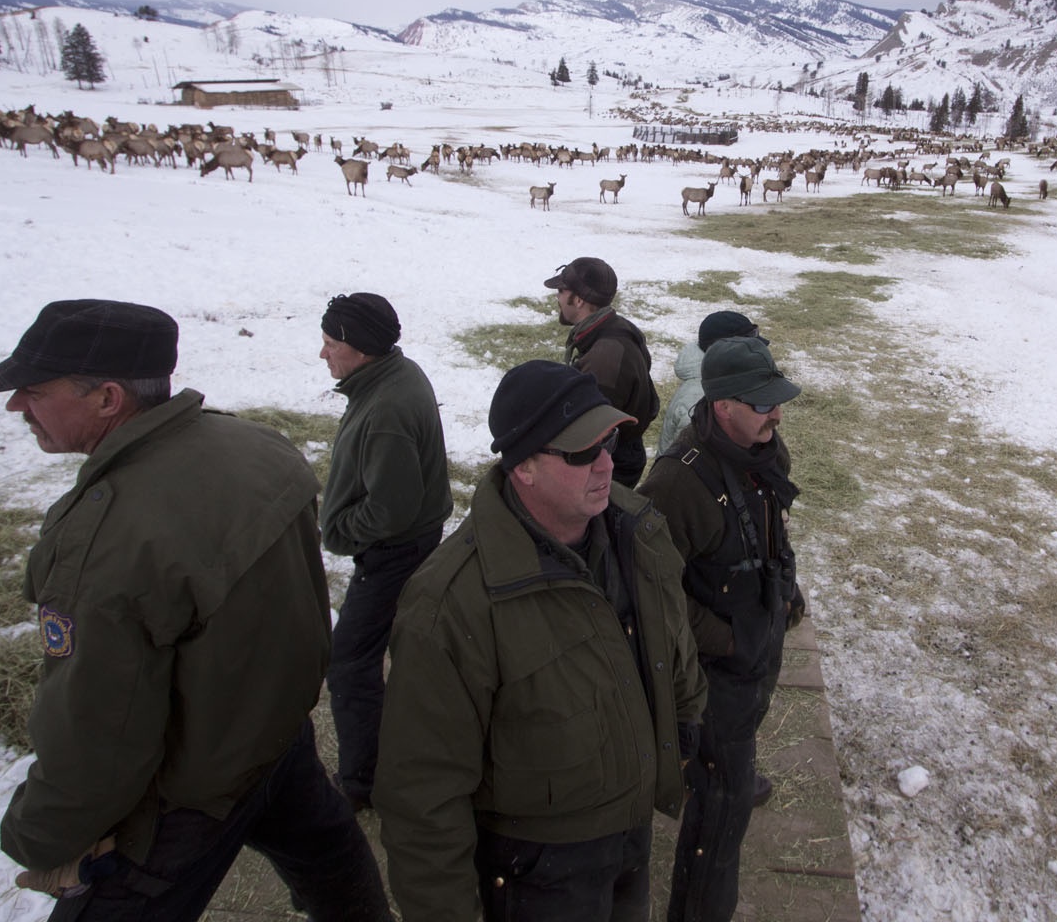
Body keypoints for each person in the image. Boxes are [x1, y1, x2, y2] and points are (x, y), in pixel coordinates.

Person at [0, 299, 390, 922]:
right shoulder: (259, 447)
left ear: (108, 398)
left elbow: (96, 725)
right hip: (274, 738)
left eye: (32, 390)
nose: (15, 406)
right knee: (330, 859)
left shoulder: (107, 535)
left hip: (190, 794)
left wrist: (39, 836)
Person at [374, 361, 707, 921]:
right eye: (581, 452)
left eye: (610, 440)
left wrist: (686, 723)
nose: (608, 463)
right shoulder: (452, 605)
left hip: (631, 834)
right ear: (523, 465)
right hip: (537, 872)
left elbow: (675, 648)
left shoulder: (636, 529)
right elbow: (422, 798)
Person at [639, 336, 805, 922]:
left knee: (728, 794)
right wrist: (729, 640)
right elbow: (650, 593)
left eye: (777, 400)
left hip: (754, 655)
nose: (776, 413)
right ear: (722, 405)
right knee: (720, 810)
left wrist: (784, 590)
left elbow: (768, 530)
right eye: (762, 403)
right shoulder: (675, 484)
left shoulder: (763, 451)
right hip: (713, 677)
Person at [317, 292, 454, 811]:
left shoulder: (388, 409)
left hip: (394, 550)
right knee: (410, 648)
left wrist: (339, 531)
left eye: (331, 343)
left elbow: (391, 509)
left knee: (349, 663)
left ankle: (363, 781)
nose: (323, 354)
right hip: (408, 541)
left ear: (359, 347)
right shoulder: (392, 376)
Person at [543, 256, 658, 487]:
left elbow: (591, 433)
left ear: (578, 300)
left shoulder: (605, 357)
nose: (557, 297)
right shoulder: (613, 328)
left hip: (609, 464)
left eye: (562, 291)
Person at [658, 310, 761, 454]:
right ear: (726, 351)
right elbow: (690, 460)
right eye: (749, 349)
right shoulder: (698, 399)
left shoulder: (722, 379)